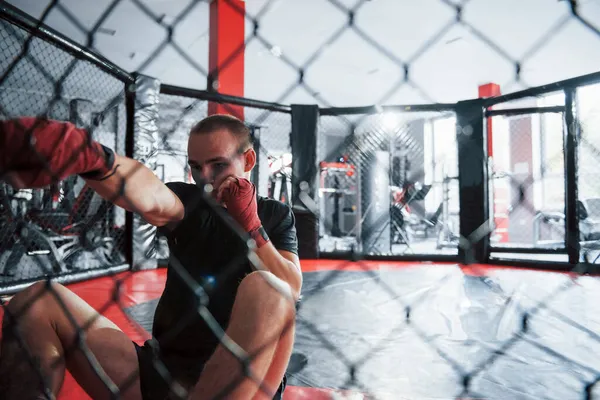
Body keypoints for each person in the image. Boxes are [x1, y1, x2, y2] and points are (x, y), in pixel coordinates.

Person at [0, 114, 303, 400]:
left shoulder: (275, 215)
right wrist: (90, 157)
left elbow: (291, 289)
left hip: (244, 384)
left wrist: (252, 226)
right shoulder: (189, 202)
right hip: (164, 373)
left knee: (266, 287)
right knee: (37, 300)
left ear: (248, 160)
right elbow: (150, 195)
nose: (205, 178)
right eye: (196, 167)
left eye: (218, 165)